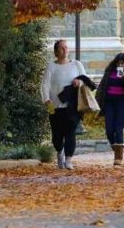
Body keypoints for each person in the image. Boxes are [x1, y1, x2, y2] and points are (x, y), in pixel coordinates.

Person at [40, 39, 95, 170]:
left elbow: (85, 80)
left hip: (73, 106)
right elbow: (45, 85)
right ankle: (60, 151)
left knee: (71, 132)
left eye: (66, 47)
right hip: (55, 106)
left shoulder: (76, 65)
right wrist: (46, 99)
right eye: (61, 48)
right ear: (56, 52)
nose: (65, 50)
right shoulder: (51, 67)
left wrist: (79, 82)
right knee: (57, 135)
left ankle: (69, 159)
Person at [96, 52, 124, 166]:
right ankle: (117, 147)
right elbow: (102, 87)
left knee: (118, 128)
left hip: (122, 103)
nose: (121, 65)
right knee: (109, 130)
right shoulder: (109, 71)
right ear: (115, 62)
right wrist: (97, 103)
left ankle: (118, 157)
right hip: (109, 102)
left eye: (123, 63)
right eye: (119, 63)